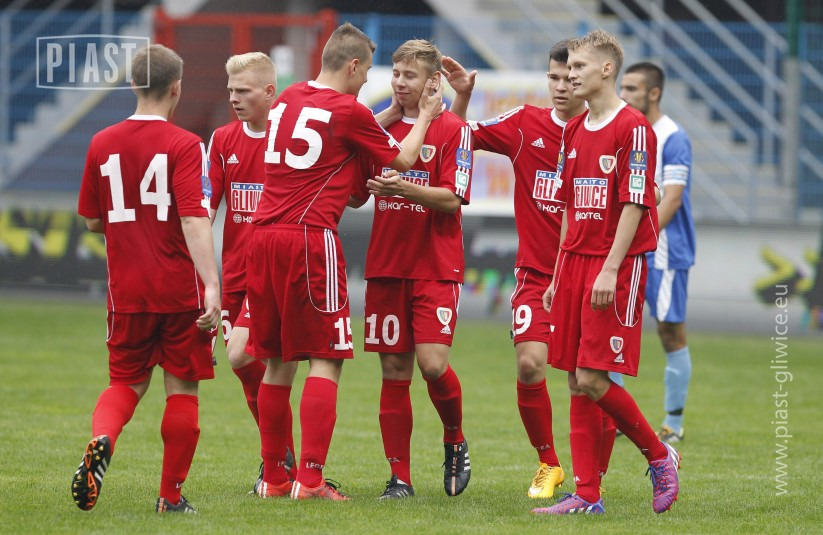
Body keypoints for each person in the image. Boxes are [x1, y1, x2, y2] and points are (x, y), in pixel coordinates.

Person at [248, 23, 442, 501]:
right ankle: (311, 480)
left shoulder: (290, 97)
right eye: (368, 71)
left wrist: (388, 113)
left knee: (276, 362)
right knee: (327, 358)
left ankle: (274, 478)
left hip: (262, 236)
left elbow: (344, 143)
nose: (368, 79)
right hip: (308, 239)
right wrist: (423, 115)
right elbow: (404, 160)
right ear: (353, 65)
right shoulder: (348, 110)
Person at [443, 41, 618, 499]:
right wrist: (461, 95)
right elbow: (457, 135)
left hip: (585, 273)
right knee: (529, 363)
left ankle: (596, 474)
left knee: (586, 380)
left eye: (568, 78)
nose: (561, 86)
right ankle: (548, 463)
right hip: (536, 275)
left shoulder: (604, 132)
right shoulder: (524, 124)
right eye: (553, 78)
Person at [534, 29, 681, 515]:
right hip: (575, 265)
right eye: (567, 67)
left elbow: (636, 202)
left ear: (606, 69)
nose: (570, 75)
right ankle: (587, 495)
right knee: (577, 381)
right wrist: (558, 274)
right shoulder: (574, 129)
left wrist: (610, 268)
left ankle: (659, 456)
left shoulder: (633, 128)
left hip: (613, 266)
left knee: (593, 378)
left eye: (578, 67)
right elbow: (569, 209)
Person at [73, 44, 221, 514]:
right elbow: (194, 219)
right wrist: (212, 285)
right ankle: (170, 497)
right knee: (183, 388)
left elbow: (92, 221)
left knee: (125, 383)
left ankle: (103, 437)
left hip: (126, 290)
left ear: (133, 85)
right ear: (176, 88)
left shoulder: (102, 142)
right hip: (178, 289)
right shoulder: (185, 145)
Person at [349, 39, 473, 499]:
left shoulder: (455, 129)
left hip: (436, 265)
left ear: (433, 81)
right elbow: (355, 195)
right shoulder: (379, 128)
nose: (400, 83)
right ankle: (399, 478)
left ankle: (454, 438)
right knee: (393, 370)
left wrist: (404, 189)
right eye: (396, 73)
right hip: (387, 264)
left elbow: (453, 198)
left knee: (433, 365)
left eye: (410, 75)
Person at [207, 52, 297, 486]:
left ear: (269, 92)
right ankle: (280, 459)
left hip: (271, 272)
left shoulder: (291, 139)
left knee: (241, 355)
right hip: (234, 274)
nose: (233, 98)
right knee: (244, 370)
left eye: (242, 91)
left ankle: (280, 458)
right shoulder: (223, 140)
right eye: (230, 90)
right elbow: (205, 208)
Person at [619, 62, 696, 444]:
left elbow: (673, 199)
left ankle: (673, 422)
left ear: (654, 93)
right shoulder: (624, 131)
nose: (624, 95)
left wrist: (638, 237)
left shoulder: (673, 138)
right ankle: (615, 417)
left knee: (669, 331)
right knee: (613, 325)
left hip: (664, 252)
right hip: (627, 248)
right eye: (622, 88)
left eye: (632, 89)